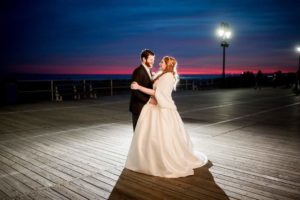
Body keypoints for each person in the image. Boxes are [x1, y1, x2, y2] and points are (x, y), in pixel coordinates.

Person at [125, 56, 208, 178]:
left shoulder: (168, 76)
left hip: (162, 110)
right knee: (150, 136)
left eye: (162, 62)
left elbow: (158, 93)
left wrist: (139, 87)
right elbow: (156, 88)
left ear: (168, 64)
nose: (159, 63)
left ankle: (160, 161)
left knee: (161, 135)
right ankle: (148, 159)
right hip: (154, 107)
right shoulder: (162, 74)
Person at [129, 49, 157, 130]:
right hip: (138, 107)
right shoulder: (138, 71)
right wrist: (149, 100)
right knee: (138, 131)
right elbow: (135, 90)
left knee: (144, 131)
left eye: (153, 59)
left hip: (145, 106)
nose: (153, 61)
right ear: (144, 59)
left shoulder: (149, 70)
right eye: (151, 59)